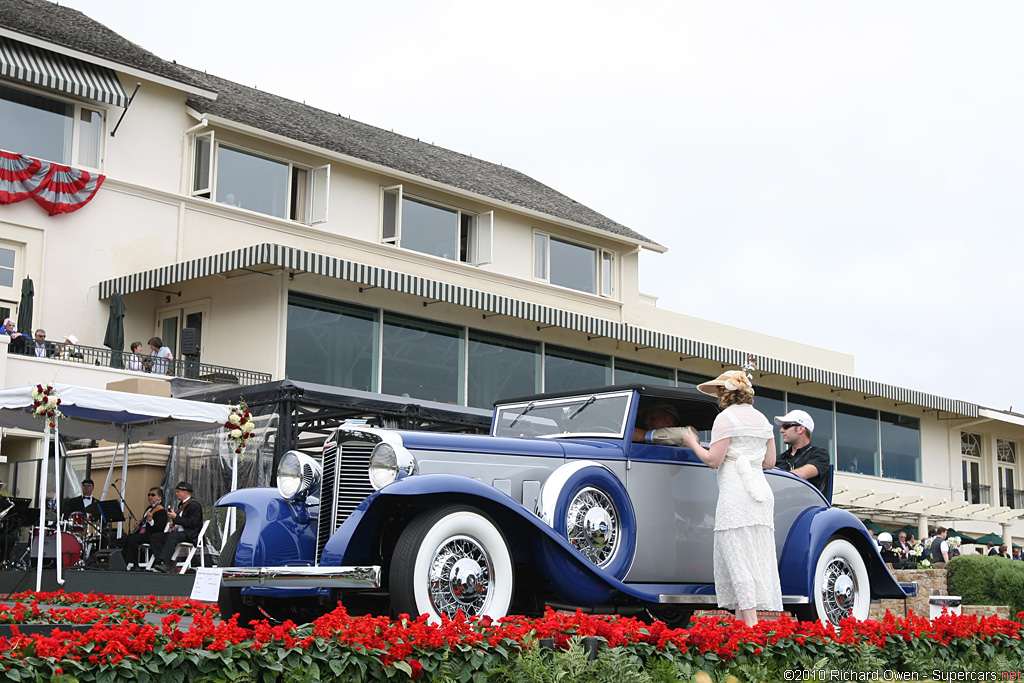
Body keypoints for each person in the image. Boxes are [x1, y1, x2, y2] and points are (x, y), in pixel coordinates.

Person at [680, 369, 782, 626]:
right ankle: (741, 626)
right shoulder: (762, 420)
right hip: (760, 493)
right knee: (753, 556)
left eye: (718, 392)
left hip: (737, 492)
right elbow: (770, 462)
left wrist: (692, 442)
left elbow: (713, 460)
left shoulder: (725, 418)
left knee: (737, 558)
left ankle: (751, 626)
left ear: (725, 393)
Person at [773, 409, 831, 498]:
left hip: (809, 508)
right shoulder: (778, 459)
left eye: (786, 426)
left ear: (801, 429)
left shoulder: (819, 454)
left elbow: (803, 474)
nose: (781, 430)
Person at [150, 482, 203, 573]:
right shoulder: (181, 505)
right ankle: (161, 561)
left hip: (190, 534)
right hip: (180, 533)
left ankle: (166, 564)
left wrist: (176, 518)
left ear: (185, 492)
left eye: (178, 491)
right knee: (155, 537)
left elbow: (192, 523)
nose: (176, 494)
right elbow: (182, 520)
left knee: (172, 537)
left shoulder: (194, 505)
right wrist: (175, 524)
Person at [113, 487, 168, 569]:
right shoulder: (149, 509)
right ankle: (118, 562)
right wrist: (140, 522)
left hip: (152, 535)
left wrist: (151, 521)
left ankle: (133, 564)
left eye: (153, 495)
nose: (150, 497)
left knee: (133, 539)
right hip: (142, 533)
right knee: (121, 540)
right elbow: (144, 523)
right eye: (149, 495)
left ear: (160, 497)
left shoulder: (162, 512)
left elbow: (159, 528)